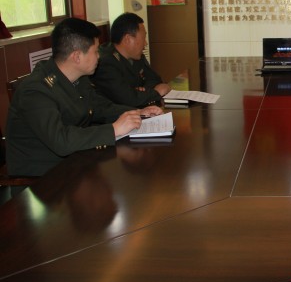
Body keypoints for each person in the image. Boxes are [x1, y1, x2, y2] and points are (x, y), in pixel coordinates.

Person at [6, 18, 163, 177]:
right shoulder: (36, 91)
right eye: (95, 51)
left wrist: (136, 113)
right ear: (77, 57)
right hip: (43, 179)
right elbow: (61, 140)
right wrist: (113, 129)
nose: (99, 57)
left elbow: (100, 107)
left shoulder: (77, 78)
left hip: (76, 163)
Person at [92, 13, 171, 107]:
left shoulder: (136, 56)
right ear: (128, 39)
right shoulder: (105, 63)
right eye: (143, 38)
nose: (145, 43)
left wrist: (142, 91)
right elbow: (128, 99)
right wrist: (155, 93)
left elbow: (155, 79)